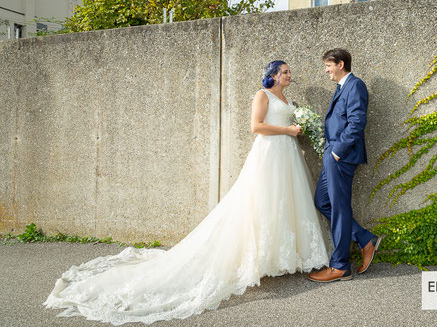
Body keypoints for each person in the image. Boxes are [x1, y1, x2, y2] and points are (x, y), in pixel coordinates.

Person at [44, 61, 330, 325]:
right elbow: (255, 127)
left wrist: (297, 128)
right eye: (284, 72)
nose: (289, 76)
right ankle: (255, 258)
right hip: (269, 155)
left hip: (288, 156)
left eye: (289, 72)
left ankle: (281, 258)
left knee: (283, 203)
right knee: (261, 203)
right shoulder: (263, 95)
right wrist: (288, 131)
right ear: (273, 75)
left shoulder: (288, 99)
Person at [308, 48, 381, 283]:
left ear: (340, 64)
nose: (326, 70)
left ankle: (340, 266)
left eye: (328, 65)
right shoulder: (341, 87)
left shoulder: (355, 85)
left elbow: (357, 122)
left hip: (342, 156)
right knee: (323, 201)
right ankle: (364, 238)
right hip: (333, 154)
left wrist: (337, 152)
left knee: (339, 208)